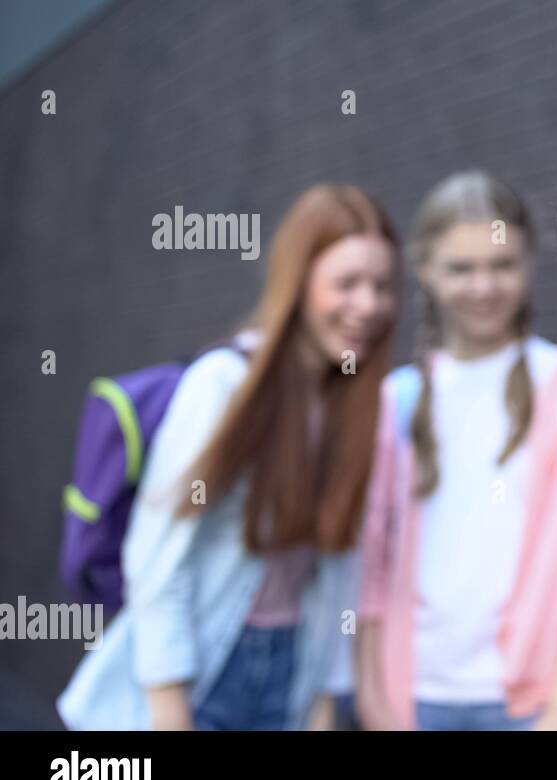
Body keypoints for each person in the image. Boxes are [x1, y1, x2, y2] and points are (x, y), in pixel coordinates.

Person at [58, 184, 399, 730]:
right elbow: (158, 557)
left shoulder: (355, 405)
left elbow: (339, 565)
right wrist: (170, 708)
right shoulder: (223, 386)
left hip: (290, 674)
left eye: (382, 286)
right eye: (347, 284)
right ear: (300, 282)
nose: (369, 305)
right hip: (202, 673)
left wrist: (322, 702)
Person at [354, 170, 557, 731]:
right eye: (461, 268)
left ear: (527, 263)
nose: (483, 287)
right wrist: (374, 698)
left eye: (501, 265)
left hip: (532, 704)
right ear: (425, 270)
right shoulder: (394, 401)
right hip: (415, 699)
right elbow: (370, 568)